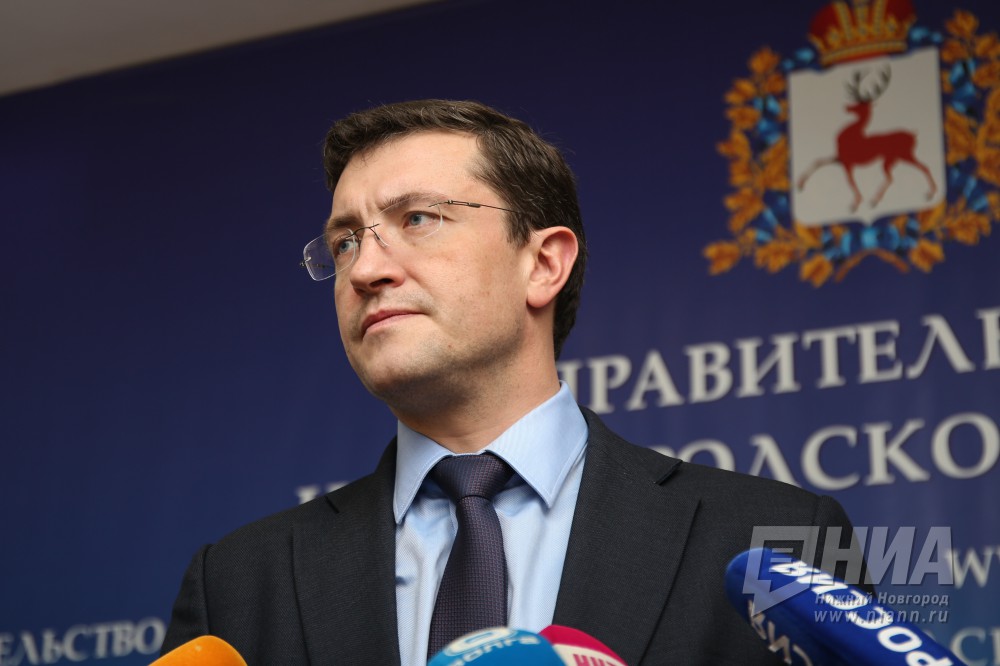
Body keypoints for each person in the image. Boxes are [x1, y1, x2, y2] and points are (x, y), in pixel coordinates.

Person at [162, 100, 865, 665]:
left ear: (544, 264)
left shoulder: (775, 542)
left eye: (418, 219)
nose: (366, 269)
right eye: (346, 241)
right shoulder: (240, 582)